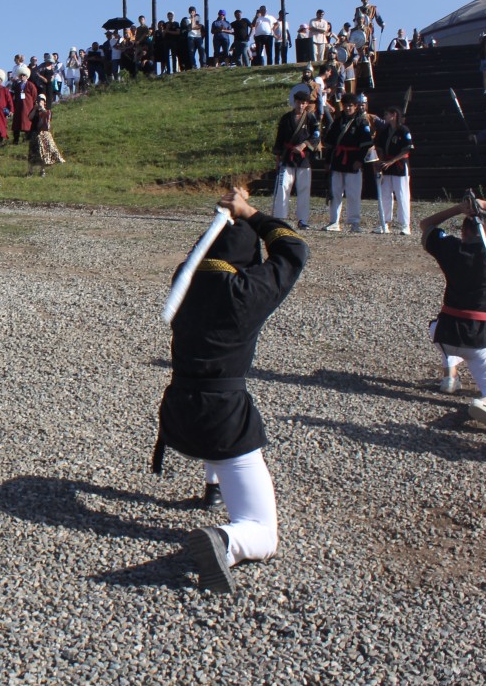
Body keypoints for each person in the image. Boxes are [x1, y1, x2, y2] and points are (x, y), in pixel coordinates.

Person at [156, 187, 309, 594]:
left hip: (177, 416)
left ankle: (213, 486)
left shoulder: (184, 281)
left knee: (216, 405)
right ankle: (229, 540)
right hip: (219, 422)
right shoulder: (246, 290)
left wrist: (225, 218)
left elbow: (199, 255)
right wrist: (252, 213)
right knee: (264, 532)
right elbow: (294, 250)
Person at [419, 196, 486, 434]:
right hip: (477, 339)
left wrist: (458, 209)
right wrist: (484, 205)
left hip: (444, 333)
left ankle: (450, 373)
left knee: (434, 327)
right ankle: (485, 404)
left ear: (463, 233)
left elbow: (426, 225)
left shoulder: (452, 246)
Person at [322, 93, 374, 232]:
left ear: (356, 107)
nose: (347, 108)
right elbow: (330, 144)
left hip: (353, 160)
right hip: (338, 160)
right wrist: (328, 161)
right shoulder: (338, 122)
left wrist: (359, 160)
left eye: (350, 106)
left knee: (353, 193)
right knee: (335, 192)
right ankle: (334, 221)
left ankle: (354, 222)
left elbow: (365, 144)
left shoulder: (361, 122)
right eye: (345, 105)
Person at [271, 91, 319, 230]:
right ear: (295, 102)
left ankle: (303, 219)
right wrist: (278, 158)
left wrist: (304, 145)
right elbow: (279, 140)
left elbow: (316, 137)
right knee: (283, 187)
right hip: (287, 157)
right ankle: (280, 217)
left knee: (303, 189)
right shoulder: (286, 118)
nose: (301, 105)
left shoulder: (311, 119)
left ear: (307, 104)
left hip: (303, 159)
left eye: (304, 103)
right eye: (299, 102)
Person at [375, 106, 413, 235]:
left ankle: (405, 225)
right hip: (386, 165)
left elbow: (407, 149)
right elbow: (379, 147)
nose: (385, 117)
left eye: (386, 114)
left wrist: (392, 161)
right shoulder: (384, 130)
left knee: (402, 195)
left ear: (394, 115)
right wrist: (380, 161)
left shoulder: (403, 130)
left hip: (399, 165)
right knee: (385, 194)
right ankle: (384, 223)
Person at [26, 95, 64, 177]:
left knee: (43, 153)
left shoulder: (47, 111)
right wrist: (35, 109)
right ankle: (30, 171)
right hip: (34, 133)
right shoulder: (34, 110)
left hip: (43, 134)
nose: (39, 102)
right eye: (38, 100)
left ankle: (42, 171)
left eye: (41, 100)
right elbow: (29, 117)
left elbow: (48, 121)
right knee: (32, 153)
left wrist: (43, 109)